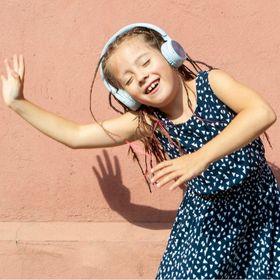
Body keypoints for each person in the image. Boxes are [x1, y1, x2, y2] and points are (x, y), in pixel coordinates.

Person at [1, 23, 279, 279]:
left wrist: (200, 158)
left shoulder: (213, 84)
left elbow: (261, 113)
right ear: (126, 96)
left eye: (145, 62)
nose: (142, 77)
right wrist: (18, 103)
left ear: (170, 53)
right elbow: (76, 135)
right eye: (129, 80)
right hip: (207, 223)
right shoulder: (150, 123)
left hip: (260, 208)